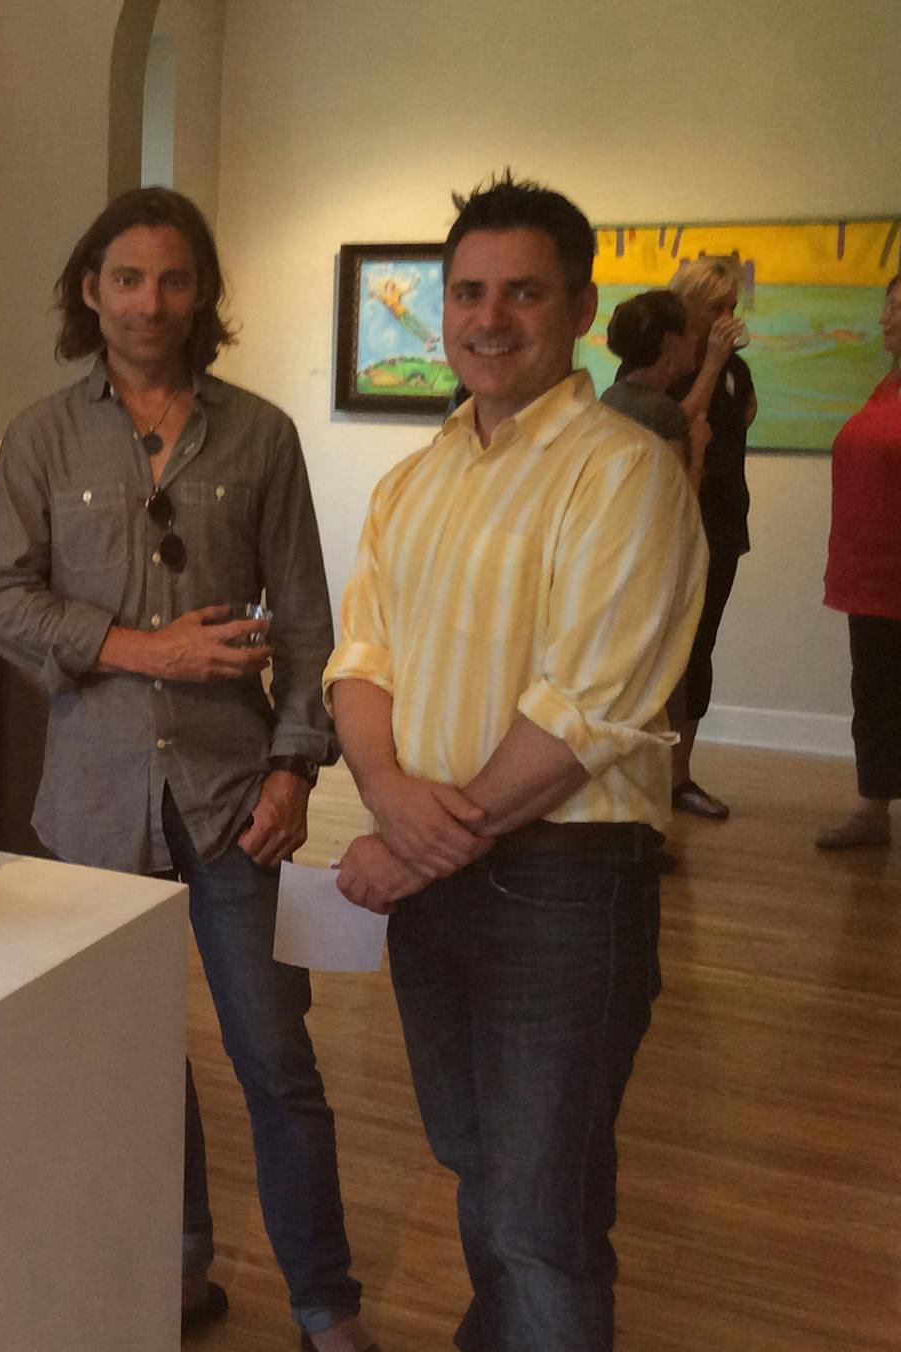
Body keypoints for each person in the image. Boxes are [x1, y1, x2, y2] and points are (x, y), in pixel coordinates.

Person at [0, 187, 373, 1352]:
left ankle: (326, 1302)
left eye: (174, 278)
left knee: (276, 1059)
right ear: (90, 292)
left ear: (205, 295)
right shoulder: (45, 435)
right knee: (134, 1055)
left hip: (235, 794)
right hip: (93, 800)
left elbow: (305, 619)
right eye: (128, 278)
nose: (152, 300)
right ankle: (177, 1263)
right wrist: (146, 646)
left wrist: (298, 765)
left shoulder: (261, 436)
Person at [326, 173, 706, 1351]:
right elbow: (359, 658)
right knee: (477, 1159)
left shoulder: (623, 473)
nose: (490, 317)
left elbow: (590, 705)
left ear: (582, 305)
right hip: (435, 874)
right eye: (469, 293)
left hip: (563, 883)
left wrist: (417, 837)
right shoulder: (414, 478)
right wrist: (391, 804)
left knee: (541, 1206)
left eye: (524, 292)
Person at [665, 254, 755, 822]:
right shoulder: (664, 364)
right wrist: (712, 360)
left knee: (701, 650)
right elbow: (669, 426)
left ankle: (681, 778)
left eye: (731, 306)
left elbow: (741, 417)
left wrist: (725, 366)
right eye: (715, 306)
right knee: (661, 654)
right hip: (673, 526)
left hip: (722, 522)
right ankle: (648, 778)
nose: (726, 317)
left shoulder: (734, 368)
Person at [816, 271, 901, 850]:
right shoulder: (887, 387)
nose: (884, 318)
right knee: (874, 698)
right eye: (886, 307)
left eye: (896, 307)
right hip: (871, 576)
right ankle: (873, 810)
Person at [601, 287, 711, 484]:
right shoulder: (663, 413)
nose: (696, 338)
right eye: (689, 331)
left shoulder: (610, 396)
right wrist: (697, 456)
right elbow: (678, 506)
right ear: (669, 342)